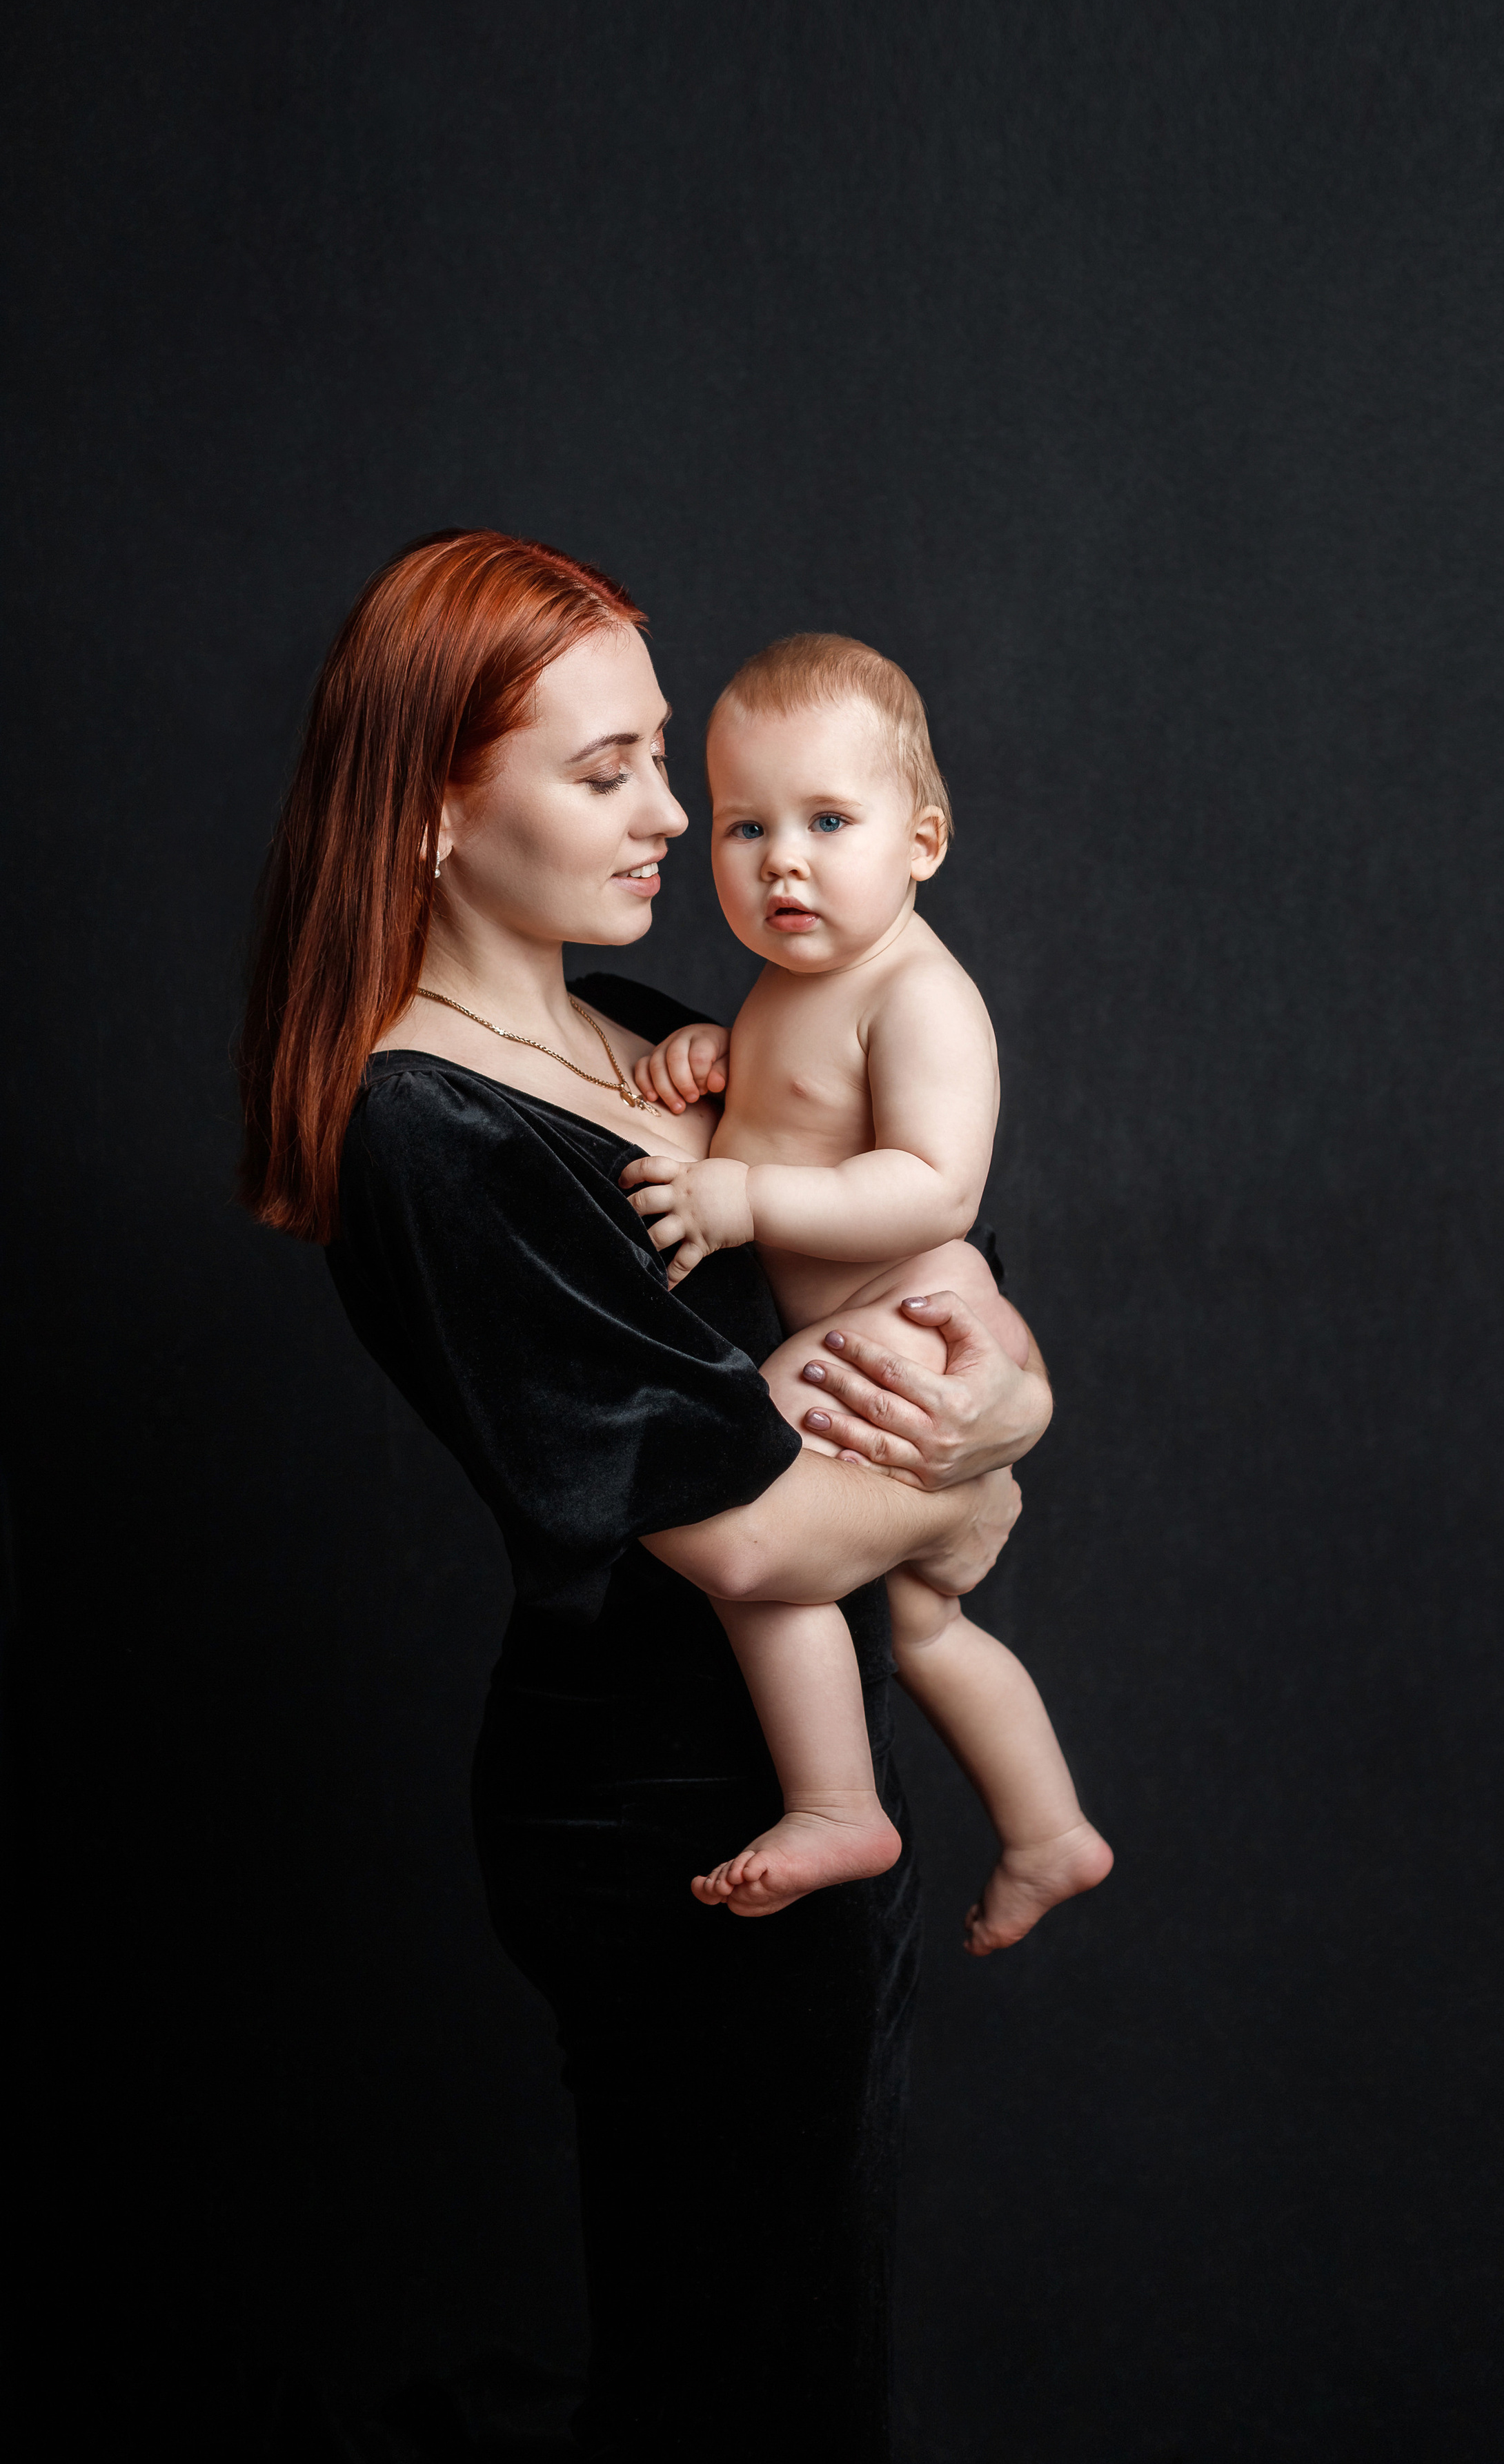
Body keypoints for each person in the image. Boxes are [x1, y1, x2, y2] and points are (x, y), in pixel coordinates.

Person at [235, 530, 1051, 2463]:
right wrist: (972, 1473)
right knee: (739, 2377)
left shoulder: (653, 1036)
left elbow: (938, 1296)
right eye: (606, 772)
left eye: (659, 756)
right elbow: (753, 1529)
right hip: (671, 1812)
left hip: (802, 1773)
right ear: (437, 811)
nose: (681, 816)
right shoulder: (425, 1130)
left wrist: (997, 1411)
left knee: (800, 2338)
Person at [620, 633, 1111, 1953]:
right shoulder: (794, 983)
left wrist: (750, 1198)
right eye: (744, 825)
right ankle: (1048, 1826)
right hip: (867, 1311)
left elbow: (934, 1187)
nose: (782, 857)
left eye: (830, 819)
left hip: (913, 1303)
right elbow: (799, 1103)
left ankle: (837, 1801)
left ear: (925, 841)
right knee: (922, 1617)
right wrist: (712, 1056)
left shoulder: (920, 994)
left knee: (737, 1499)